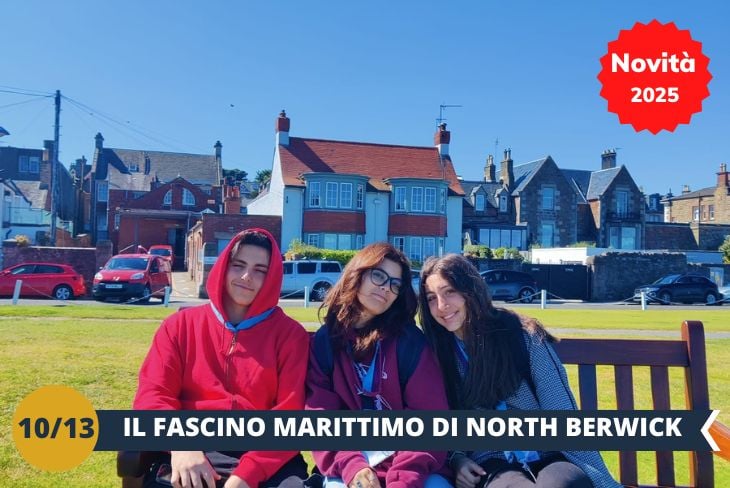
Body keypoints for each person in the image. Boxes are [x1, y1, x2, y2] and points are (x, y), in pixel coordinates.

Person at [418, 254, 621, 488]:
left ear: (470, 290)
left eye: (450, 291)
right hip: (492, 462)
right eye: (432, 298)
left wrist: (605, 483)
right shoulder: (439, 354)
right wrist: (457, 459)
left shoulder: (523, 337)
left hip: (548, 453)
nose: (442, 306)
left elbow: (562, 413)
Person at [134, 228, 309, 488]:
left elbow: (290, 415)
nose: (247, 277)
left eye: (260, 270)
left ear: (272, 277)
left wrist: (245, 476)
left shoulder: (290, 336)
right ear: (224, 267)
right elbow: (152, 396)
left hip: (266, 456)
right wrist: (182, 448)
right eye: (238, 265)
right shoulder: (180, 326)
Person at [306, 242, 452, 488]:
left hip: (412, 469)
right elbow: (320, 419)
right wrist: (353, 467)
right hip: (349, 466)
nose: (386, 288)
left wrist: (401, 481)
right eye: (378, 276)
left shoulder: (410, 343)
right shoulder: (324, 343)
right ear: (358, 274)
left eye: (395, 284)